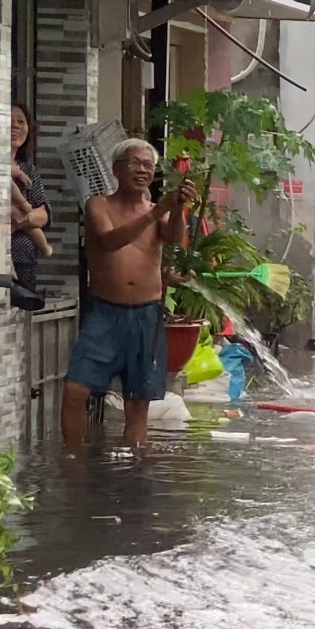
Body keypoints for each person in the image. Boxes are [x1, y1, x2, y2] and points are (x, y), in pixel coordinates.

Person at [63, 139, 196, 450]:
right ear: (117, 170)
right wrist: (158, 211)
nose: (143, 170)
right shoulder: (98, 204)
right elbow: (110, 241)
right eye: (136, 163)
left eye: (148, 165)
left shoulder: (156, 210)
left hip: (147, 315)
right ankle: (72, 464)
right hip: (105, 313)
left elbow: (174, 238)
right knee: (75, 391)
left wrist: (176, 209)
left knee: (138, 403)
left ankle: (135, 468)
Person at [7, 102, 50, 311]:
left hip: (26, 263)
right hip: (0, 264)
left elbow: (44, 215)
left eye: (21, 121)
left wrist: (20, 220)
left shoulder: (28, 171)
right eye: (9, 120)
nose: (15, 126)